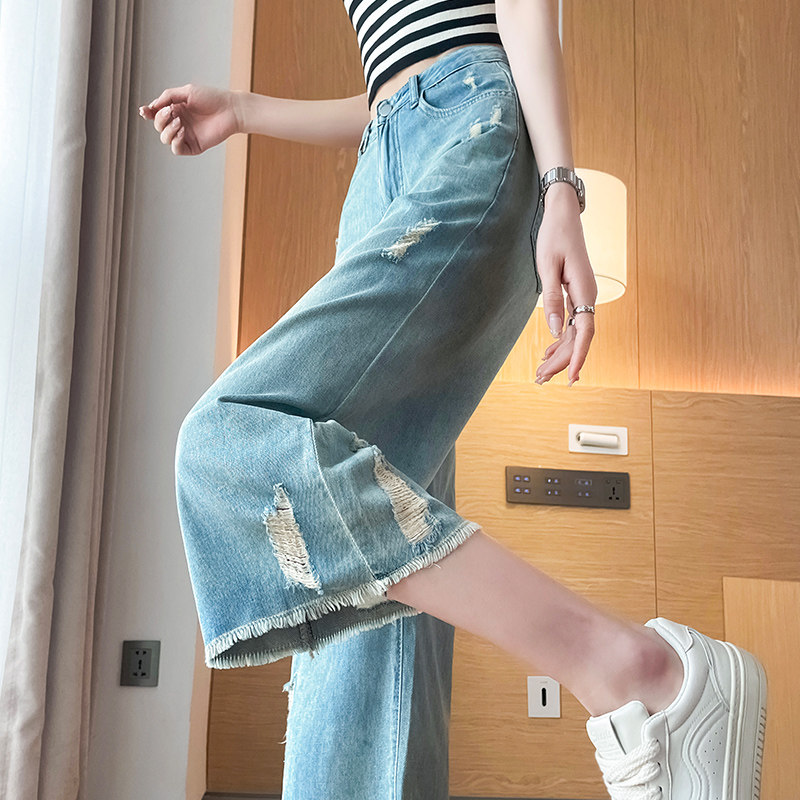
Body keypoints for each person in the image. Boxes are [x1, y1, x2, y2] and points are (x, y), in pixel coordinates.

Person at [140, 2, 767, 798]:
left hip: (471, 122)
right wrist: (242, 110)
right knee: (366, 592)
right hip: (384, 157)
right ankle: (640, 677)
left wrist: (561, 187)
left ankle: (634, 668)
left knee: (229, 442)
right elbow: (391, 79)